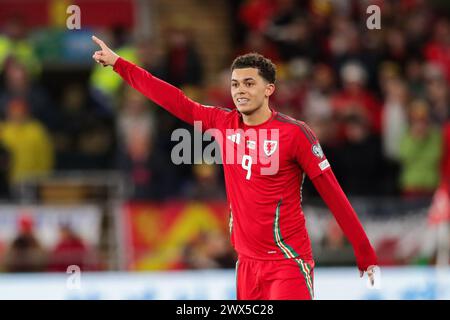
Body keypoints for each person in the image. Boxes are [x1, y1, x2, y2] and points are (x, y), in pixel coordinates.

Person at [92, 35, 377, 300]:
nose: (240, 90)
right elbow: (172, 99)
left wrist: (363, 250)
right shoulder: (222, 123)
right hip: (246, 267)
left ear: (269, 89)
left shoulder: (295, 134)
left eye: (249, 83)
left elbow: (333, 193)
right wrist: (119, 64)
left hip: (287, 263)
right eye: (235, 84)